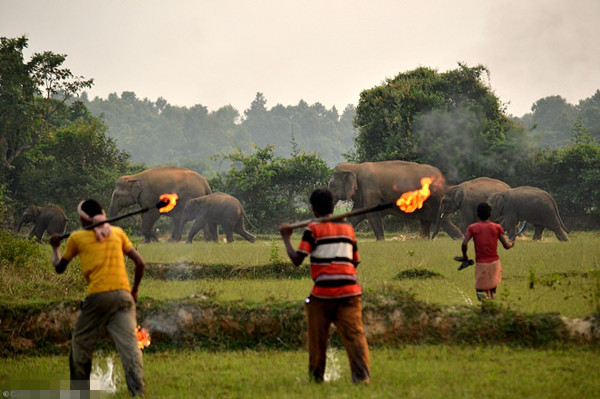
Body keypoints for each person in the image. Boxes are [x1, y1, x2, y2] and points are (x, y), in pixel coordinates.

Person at [50, 199, 146, 396]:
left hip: (98, 297)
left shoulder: (77, 237)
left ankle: (79, 392)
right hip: (123, 297)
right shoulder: (117, 233)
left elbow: (59, 268)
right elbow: (140, 263)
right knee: (130, 349)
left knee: (80, 345)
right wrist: (134, 290)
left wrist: (55, 247)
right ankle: (138, 392)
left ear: (84, 220)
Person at [279, 188, 370, 384]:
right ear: (332, 206)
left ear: (313, 209)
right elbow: (355, 261)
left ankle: (316, 378)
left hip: (322, 296)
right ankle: (362, 378)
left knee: (317, 339)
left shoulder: (313, 229)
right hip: (350, 292)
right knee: (355, 336)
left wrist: (286, 237)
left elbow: (297, 259)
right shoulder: (348, 229)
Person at [461, 202, 514, 301]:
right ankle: (492, 308)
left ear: (477, 214)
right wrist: (512, 243)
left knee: (481, 292)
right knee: (493, 290)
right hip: (495, 263)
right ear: (490, 214)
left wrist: (465, 257)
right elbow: (506, 246)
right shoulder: (496, 227)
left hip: (481, 264)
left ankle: (486, 309)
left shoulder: (472, 228)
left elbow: (464, 244)